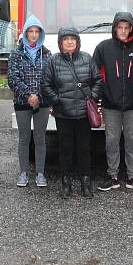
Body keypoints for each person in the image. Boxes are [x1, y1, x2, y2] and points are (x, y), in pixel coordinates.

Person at [41, 27, 102, 199]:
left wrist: (92, 97)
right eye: (66, 39)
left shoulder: (87, 58)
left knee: (84, 149)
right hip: (63, 114)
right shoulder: (53, 61)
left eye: (72, 39)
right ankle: (65, 183)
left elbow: (97, 80)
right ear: (60, 42)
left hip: (84, 114)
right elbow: (45, 85)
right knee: (65, 149)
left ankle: (85, 182)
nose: (69, 42)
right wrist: (57, 100)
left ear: (77, 41)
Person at [93, 12, 133, 193]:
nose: (123, 31)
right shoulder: (103, 47)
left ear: (131, 28)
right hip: (111, 104)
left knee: (132, 140)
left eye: (126, 28)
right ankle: (112, 176)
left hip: (132, 105)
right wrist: (98, 99)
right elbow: (96, 75)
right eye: (120, 27)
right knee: (112, 140)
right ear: (114, 28)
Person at [7, 15, 51, 188]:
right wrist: (28, 95)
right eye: (30, 31)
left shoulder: (47, 54)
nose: (33, 35)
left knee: (40, 138)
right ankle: (23, 173)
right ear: (25, 33)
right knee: (24, 138)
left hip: (43, 102)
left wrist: (39, 96)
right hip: (22, 102)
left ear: (40, 34)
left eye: (36, 32)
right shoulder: (16, 54)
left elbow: (50, 78)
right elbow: (13, 78)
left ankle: (40, 173)